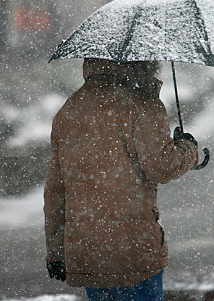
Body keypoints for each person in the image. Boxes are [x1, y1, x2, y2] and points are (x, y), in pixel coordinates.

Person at [44, 58, 199, 301]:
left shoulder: (70, 108)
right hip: (134, 250)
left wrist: (56, 252)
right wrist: (188, 148)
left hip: (89, 251)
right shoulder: (143, 104)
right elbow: (163, 167)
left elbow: (56, 190)